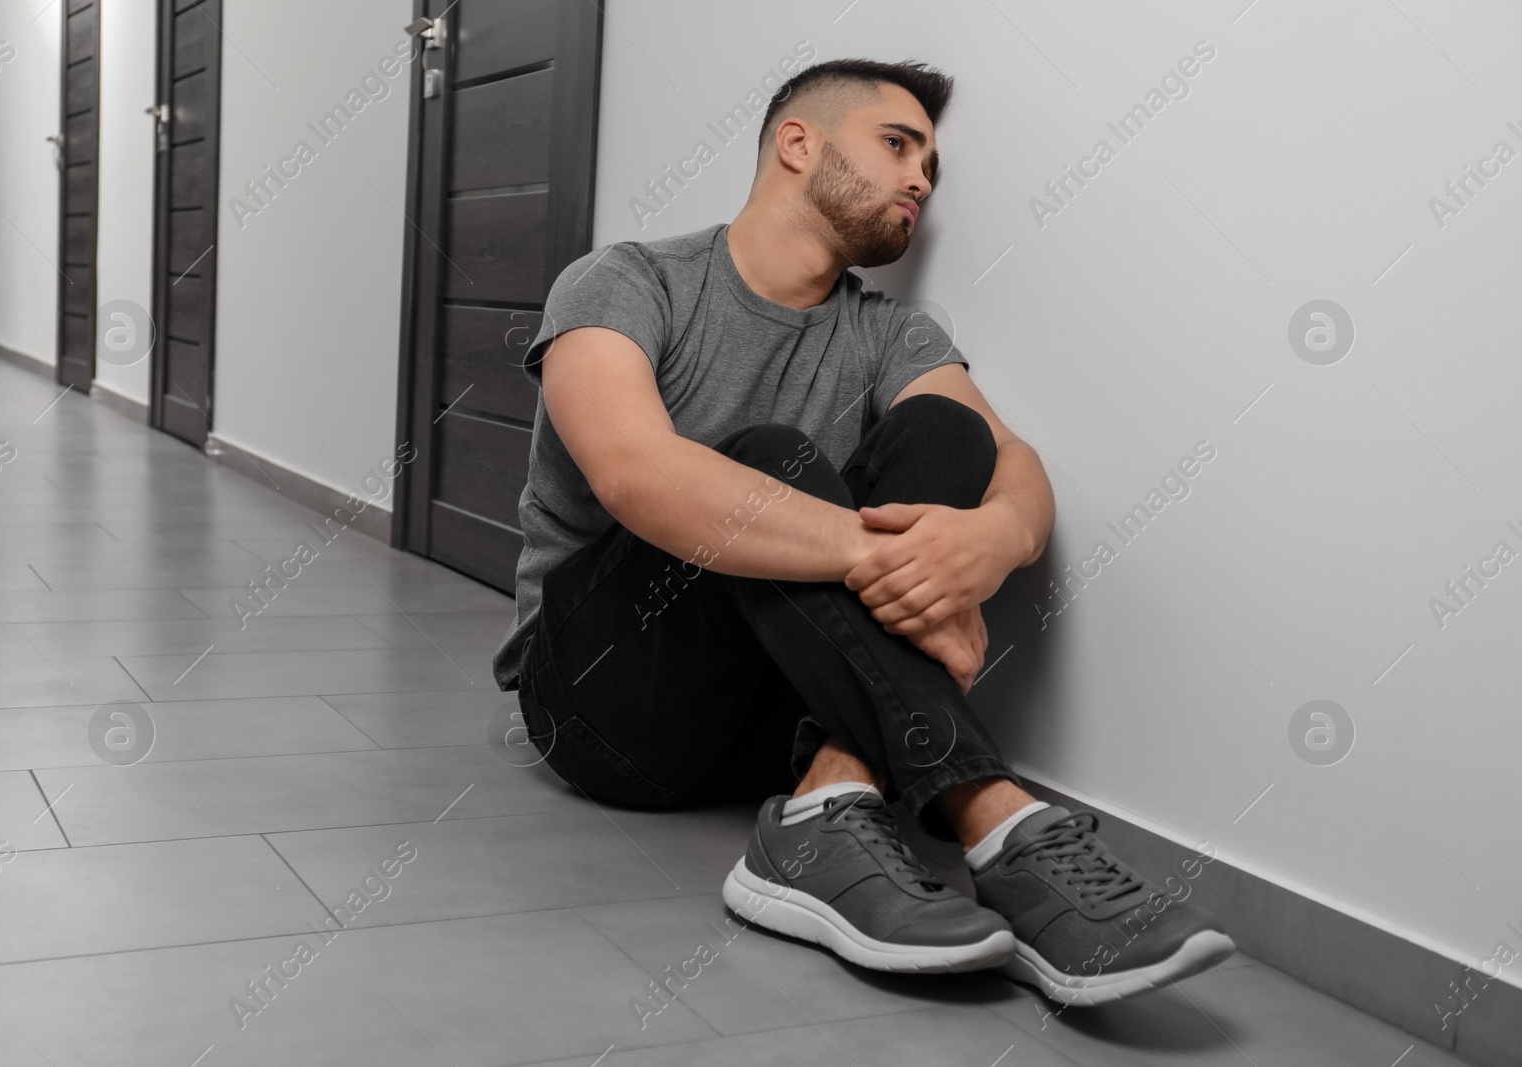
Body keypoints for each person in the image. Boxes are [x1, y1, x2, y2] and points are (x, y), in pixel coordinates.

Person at [490, 57, 1234, 1004]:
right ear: (798, 144)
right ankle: (996, 818)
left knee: (944, 427)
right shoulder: (627, 282)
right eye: (898, 145)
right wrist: (896, 567)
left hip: (788, 712)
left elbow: (1014, 460)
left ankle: (826, 803)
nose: (922, 177)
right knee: (766, 457)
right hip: (603, 698)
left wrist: (995, 539)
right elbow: (639, 474)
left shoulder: (891, 333)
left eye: (932, 163)